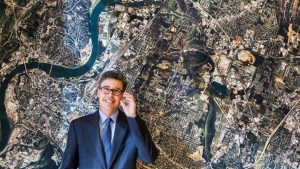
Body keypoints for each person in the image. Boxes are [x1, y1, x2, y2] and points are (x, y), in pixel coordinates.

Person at [60, 70, 158, 169]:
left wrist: (132, 116)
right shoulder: (78, 126)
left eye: (116, 91)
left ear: (122, 96)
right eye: (106, 89)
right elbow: (68, 166)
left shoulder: (133, 124)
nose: (110, 95)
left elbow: (149, 158)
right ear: (98, 92)